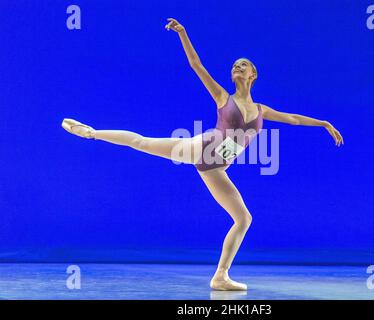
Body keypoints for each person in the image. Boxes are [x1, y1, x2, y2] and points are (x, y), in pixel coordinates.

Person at [61, 18, 344, 291]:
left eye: (242, 65)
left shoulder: (262, 110)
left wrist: (324, 123)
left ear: (252, 75)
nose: (236, 67)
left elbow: (292, 118)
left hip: (215, 168)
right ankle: (92, 132)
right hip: (201, 147)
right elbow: (196, 65)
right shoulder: (223, 97)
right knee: (143, 143)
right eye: (234, 65)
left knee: (243, 219)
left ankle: (220, 276)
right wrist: (182, 33)